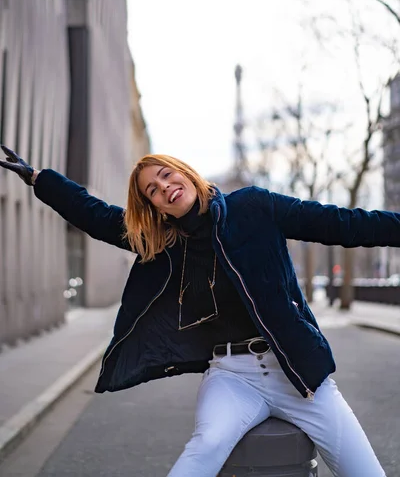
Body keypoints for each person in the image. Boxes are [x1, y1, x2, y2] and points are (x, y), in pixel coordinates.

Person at [0, 143, 389, 477]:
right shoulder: (163, 243)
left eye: (167, 175)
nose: (165, 187)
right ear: (152, 205)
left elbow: (344, 223)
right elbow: (94, 214)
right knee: (205, 448)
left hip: (298, 372)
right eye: (152, 189)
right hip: (233, 377)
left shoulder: (254, 207)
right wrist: (40, 179)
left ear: (185, 173)